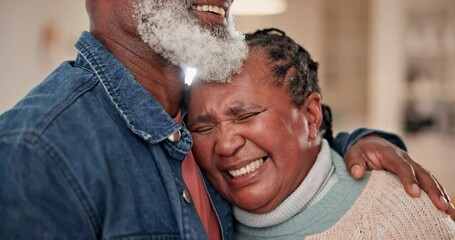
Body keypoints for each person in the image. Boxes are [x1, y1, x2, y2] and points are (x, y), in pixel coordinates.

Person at [0, 0, 452, 239]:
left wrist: (360, 141)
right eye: (208, 128)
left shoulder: (185, 125)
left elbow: (293, 154)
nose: (225, 142)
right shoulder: (36, 152)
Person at [187, 28, 455, 239]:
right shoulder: (197, 217)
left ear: (311, 116)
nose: (225, 145)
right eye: (203, 127)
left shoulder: (398, 216)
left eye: (245, 115)